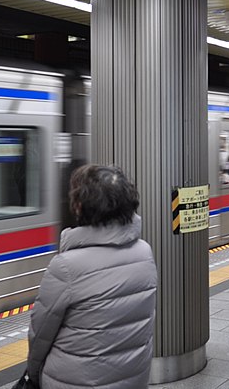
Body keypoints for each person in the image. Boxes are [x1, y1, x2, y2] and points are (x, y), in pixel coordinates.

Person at [26, 164, 157, 388]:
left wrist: (33, 373)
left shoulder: (66, 267)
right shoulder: (144, 252)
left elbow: (40, 335)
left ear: (79, 206)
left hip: (74, 380)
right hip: (133, 376)